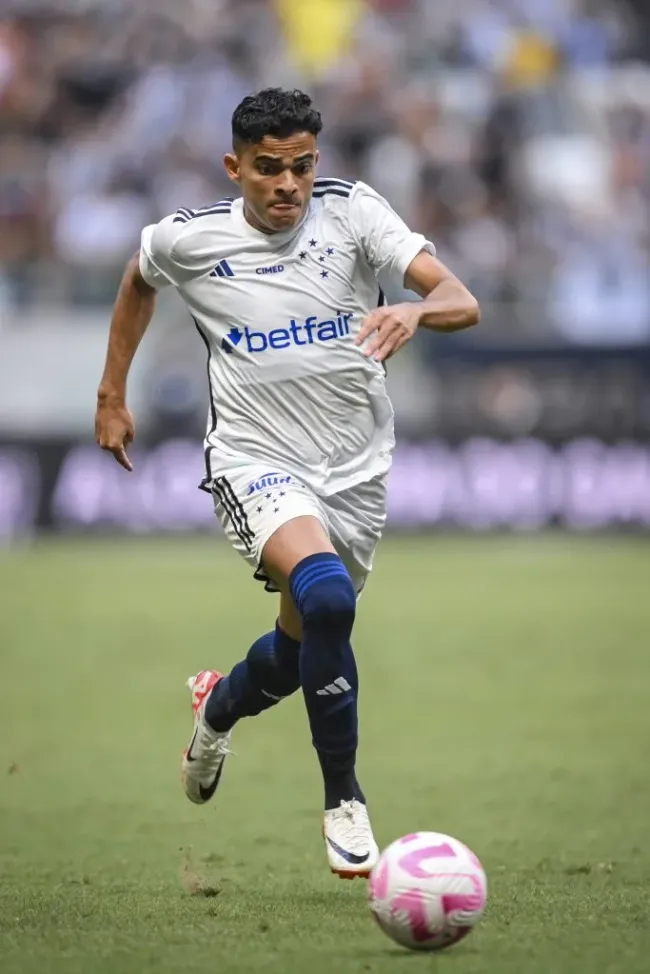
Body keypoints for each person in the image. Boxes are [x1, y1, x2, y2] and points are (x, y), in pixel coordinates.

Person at [95, 88, 479, 879]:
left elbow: (459, 298)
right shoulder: (190, 240)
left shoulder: (352, 215)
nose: (288, 186)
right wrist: (111, 395)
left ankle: (218, 707)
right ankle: (344, 800)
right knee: (327, 596)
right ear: (235, 168)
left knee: (300, 641)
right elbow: (138, 278)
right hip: (254, 459)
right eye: (268, 169)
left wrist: (415, 312)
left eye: (301, 167)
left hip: (357, 467)